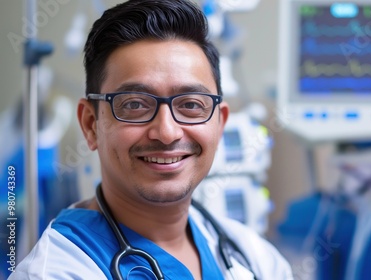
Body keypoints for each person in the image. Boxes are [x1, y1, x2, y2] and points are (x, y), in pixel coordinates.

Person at [9, 0, 293, 279]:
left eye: (191, 105)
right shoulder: (56, 272)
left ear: (219, 125)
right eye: (134, 104)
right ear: (90, 125)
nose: (167, 132)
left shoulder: (255, 259)